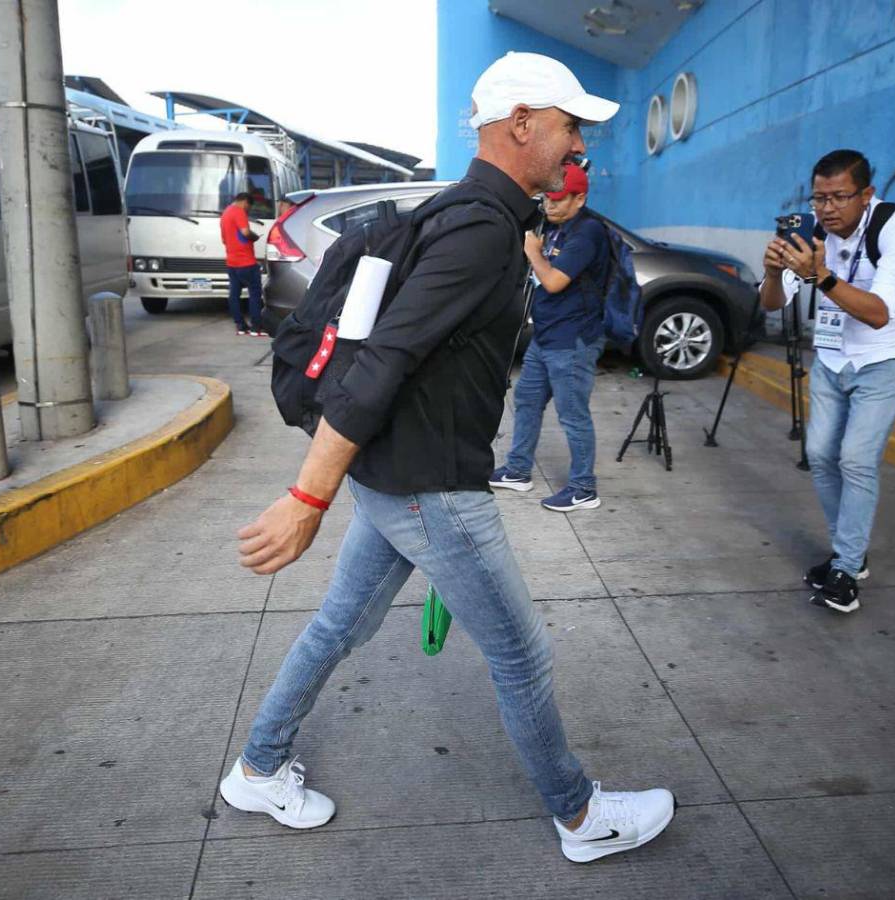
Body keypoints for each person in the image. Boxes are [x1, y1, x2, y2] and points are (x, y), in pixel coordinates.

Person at [218, 51, 675, 864]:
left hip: (400, 477)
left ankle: (258, 764)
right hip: (429, 486)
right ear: (521, 123)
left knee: (338, 626)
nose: (576, 148)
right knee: (521, 654)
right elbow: (383, 360)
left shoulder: (479, 215)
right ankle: (580, 818)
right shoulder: (476, 229)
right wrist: (308, 497)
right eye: (568, 127)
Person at [759, 149, 895, 614]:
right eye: (819, 198)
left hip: (889, 355)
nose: (827, 208)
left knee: (856, 459)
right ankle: (848, 557)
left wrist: (821, 275)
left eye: (839, 197)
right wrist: (775, 273)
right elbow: (772, 304)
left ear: (867, 194)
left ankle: (848, 565)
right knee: (819, 455)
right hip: (833, 356)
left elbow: (878, 314)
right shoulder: (813, 230)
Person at [490, 161, 609, 511]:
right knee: (526, 401)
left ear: (580, 198)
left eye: (559, 200)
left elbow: (555, 281)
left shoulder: (588, 233)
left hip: (572, 341)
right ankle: (517, 470)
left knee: (573, 415)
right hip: (546, 335)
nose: (550, 205)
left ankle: (584, 488)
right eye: (547, 199)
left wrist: (533, 253)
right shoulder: (556, 226)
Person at [219, 192, 265, 336]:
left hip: (231, 262)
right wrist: (255, 237)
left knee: (234, 295)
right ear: (245, 202)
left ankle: (240, 325)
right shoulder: (239, 212)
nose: (247, 211)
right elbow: (245, 232)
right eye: (248, 207)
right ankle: (256, 326)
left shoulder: (225, 213)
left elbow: (224, 239)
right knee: (255, 294)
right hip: (246, 262)